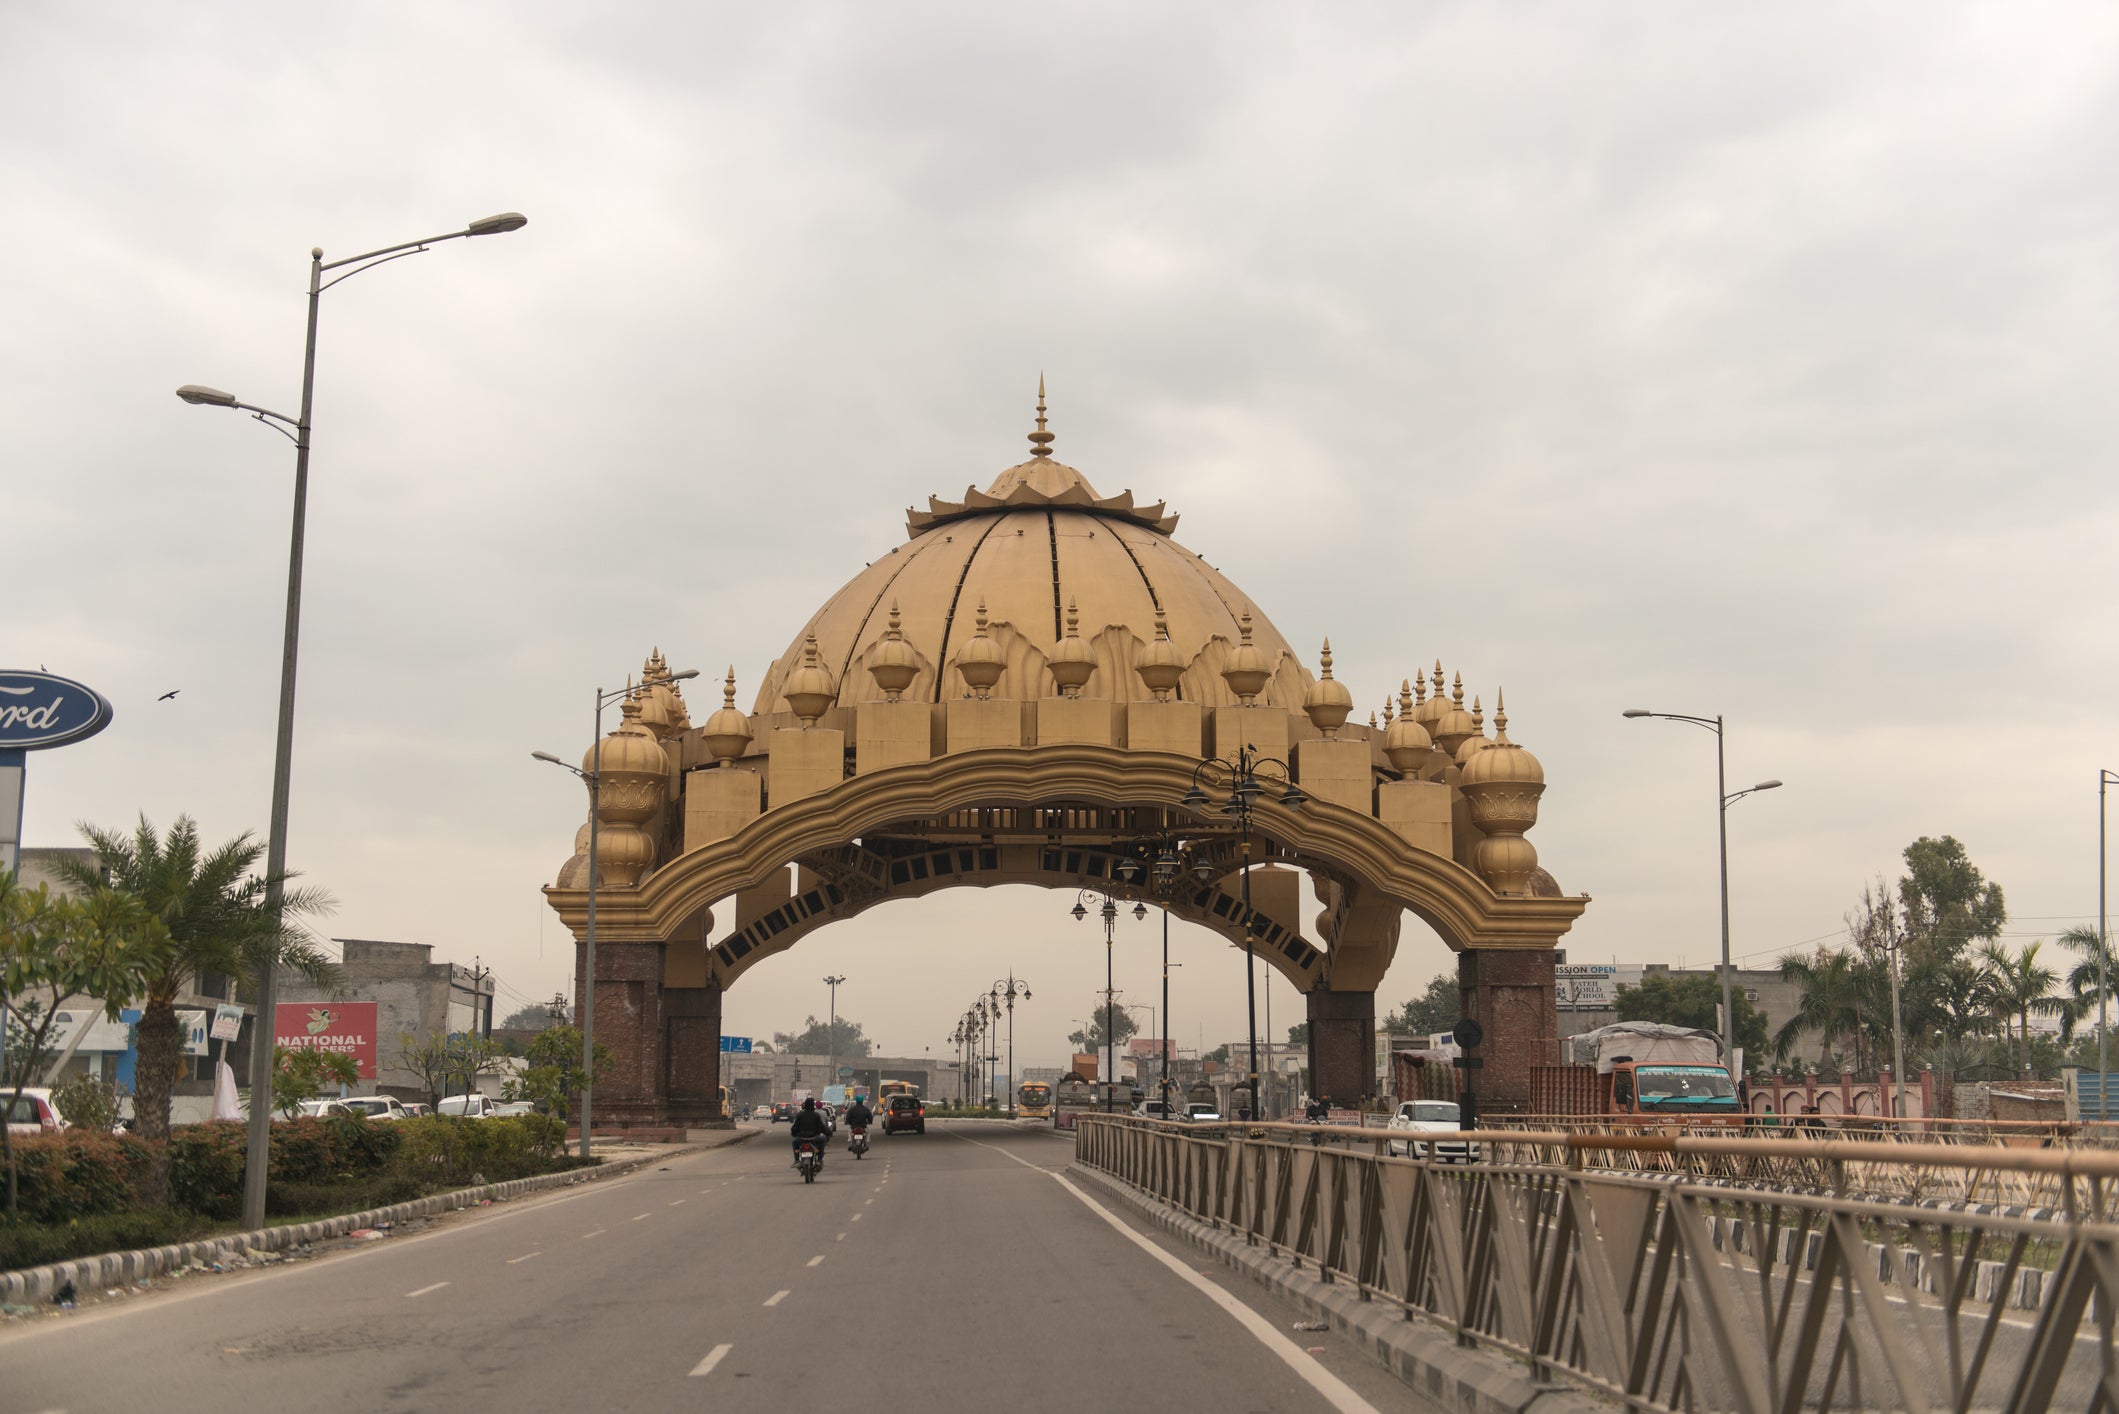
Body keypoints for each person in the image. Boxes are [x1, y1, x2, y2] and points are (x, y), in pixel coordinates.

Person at [789, 1097, 829, 1169]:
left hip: (802, 1138)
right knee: (823, 1140)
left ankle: (797, 1160)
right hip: (814, 1138)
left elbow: (795, 1127)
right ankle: (820, 1159)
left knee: (794, 1143)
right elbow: (821, 1127)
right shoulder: (816, 1115)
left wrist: (793, 1133)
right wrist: (827, 1132)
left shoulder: (800, 1115)